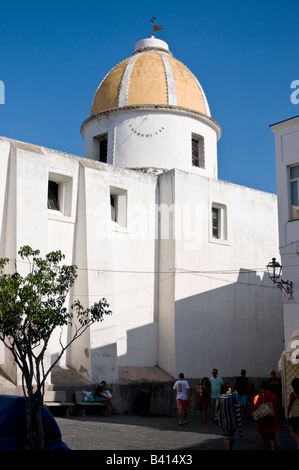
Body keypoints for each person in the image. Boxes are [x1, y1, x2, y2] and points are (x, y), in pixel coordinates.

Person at [252, 381, 282, 450]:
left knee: (264, 437)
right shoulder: (274, 396)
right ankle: (272, 448)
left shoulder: (261, 396)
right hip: (273, 418)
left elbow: (256, 407)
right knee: (272, 436)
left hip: (263, 418)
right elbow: (278, 407)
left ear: (262, 388)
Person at [216, 383, 243, 450]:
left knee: (226, 437)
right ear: (228, 389)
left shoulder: (220, 398)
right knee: (231, 436)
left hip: (224, 422)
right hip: (233, 421)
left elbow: (217, 409)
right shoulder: (233, 397)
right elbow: (237, 407)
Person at [286, 377, 299, 450]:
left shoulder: (293, 394)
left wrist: (287, 416)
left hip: (295, 415)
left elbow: (289, 406)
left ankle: (298, 444)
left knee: (294, 431)